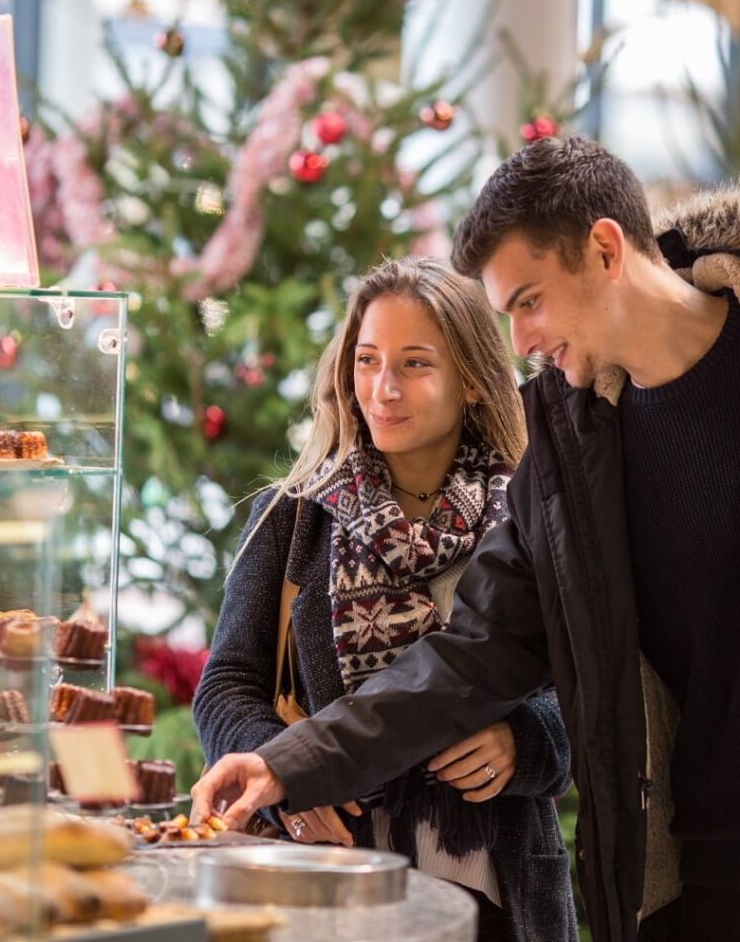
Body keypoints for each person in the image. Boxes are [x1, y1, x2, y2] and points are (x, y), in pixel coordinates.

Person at [191, 136, 740, 942]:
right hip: (692, 870)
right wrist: (285, 762)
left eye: (529, 300)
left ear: (604, 249)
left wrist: (524, 743)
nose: (521, 341)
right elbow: (471, 657)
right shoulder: (570, 450)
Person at [193, 257, 577, 942]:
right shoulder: (295, 518)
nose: (383, 389)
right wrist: (287, 782)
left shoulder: (530, 514)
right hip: (333, 886)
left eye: (415, 364)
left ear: (473, 384)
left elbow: (592, 688)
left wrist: (529, 740)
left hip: (503, 889)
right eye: (367, 361)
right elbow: (225, 687)